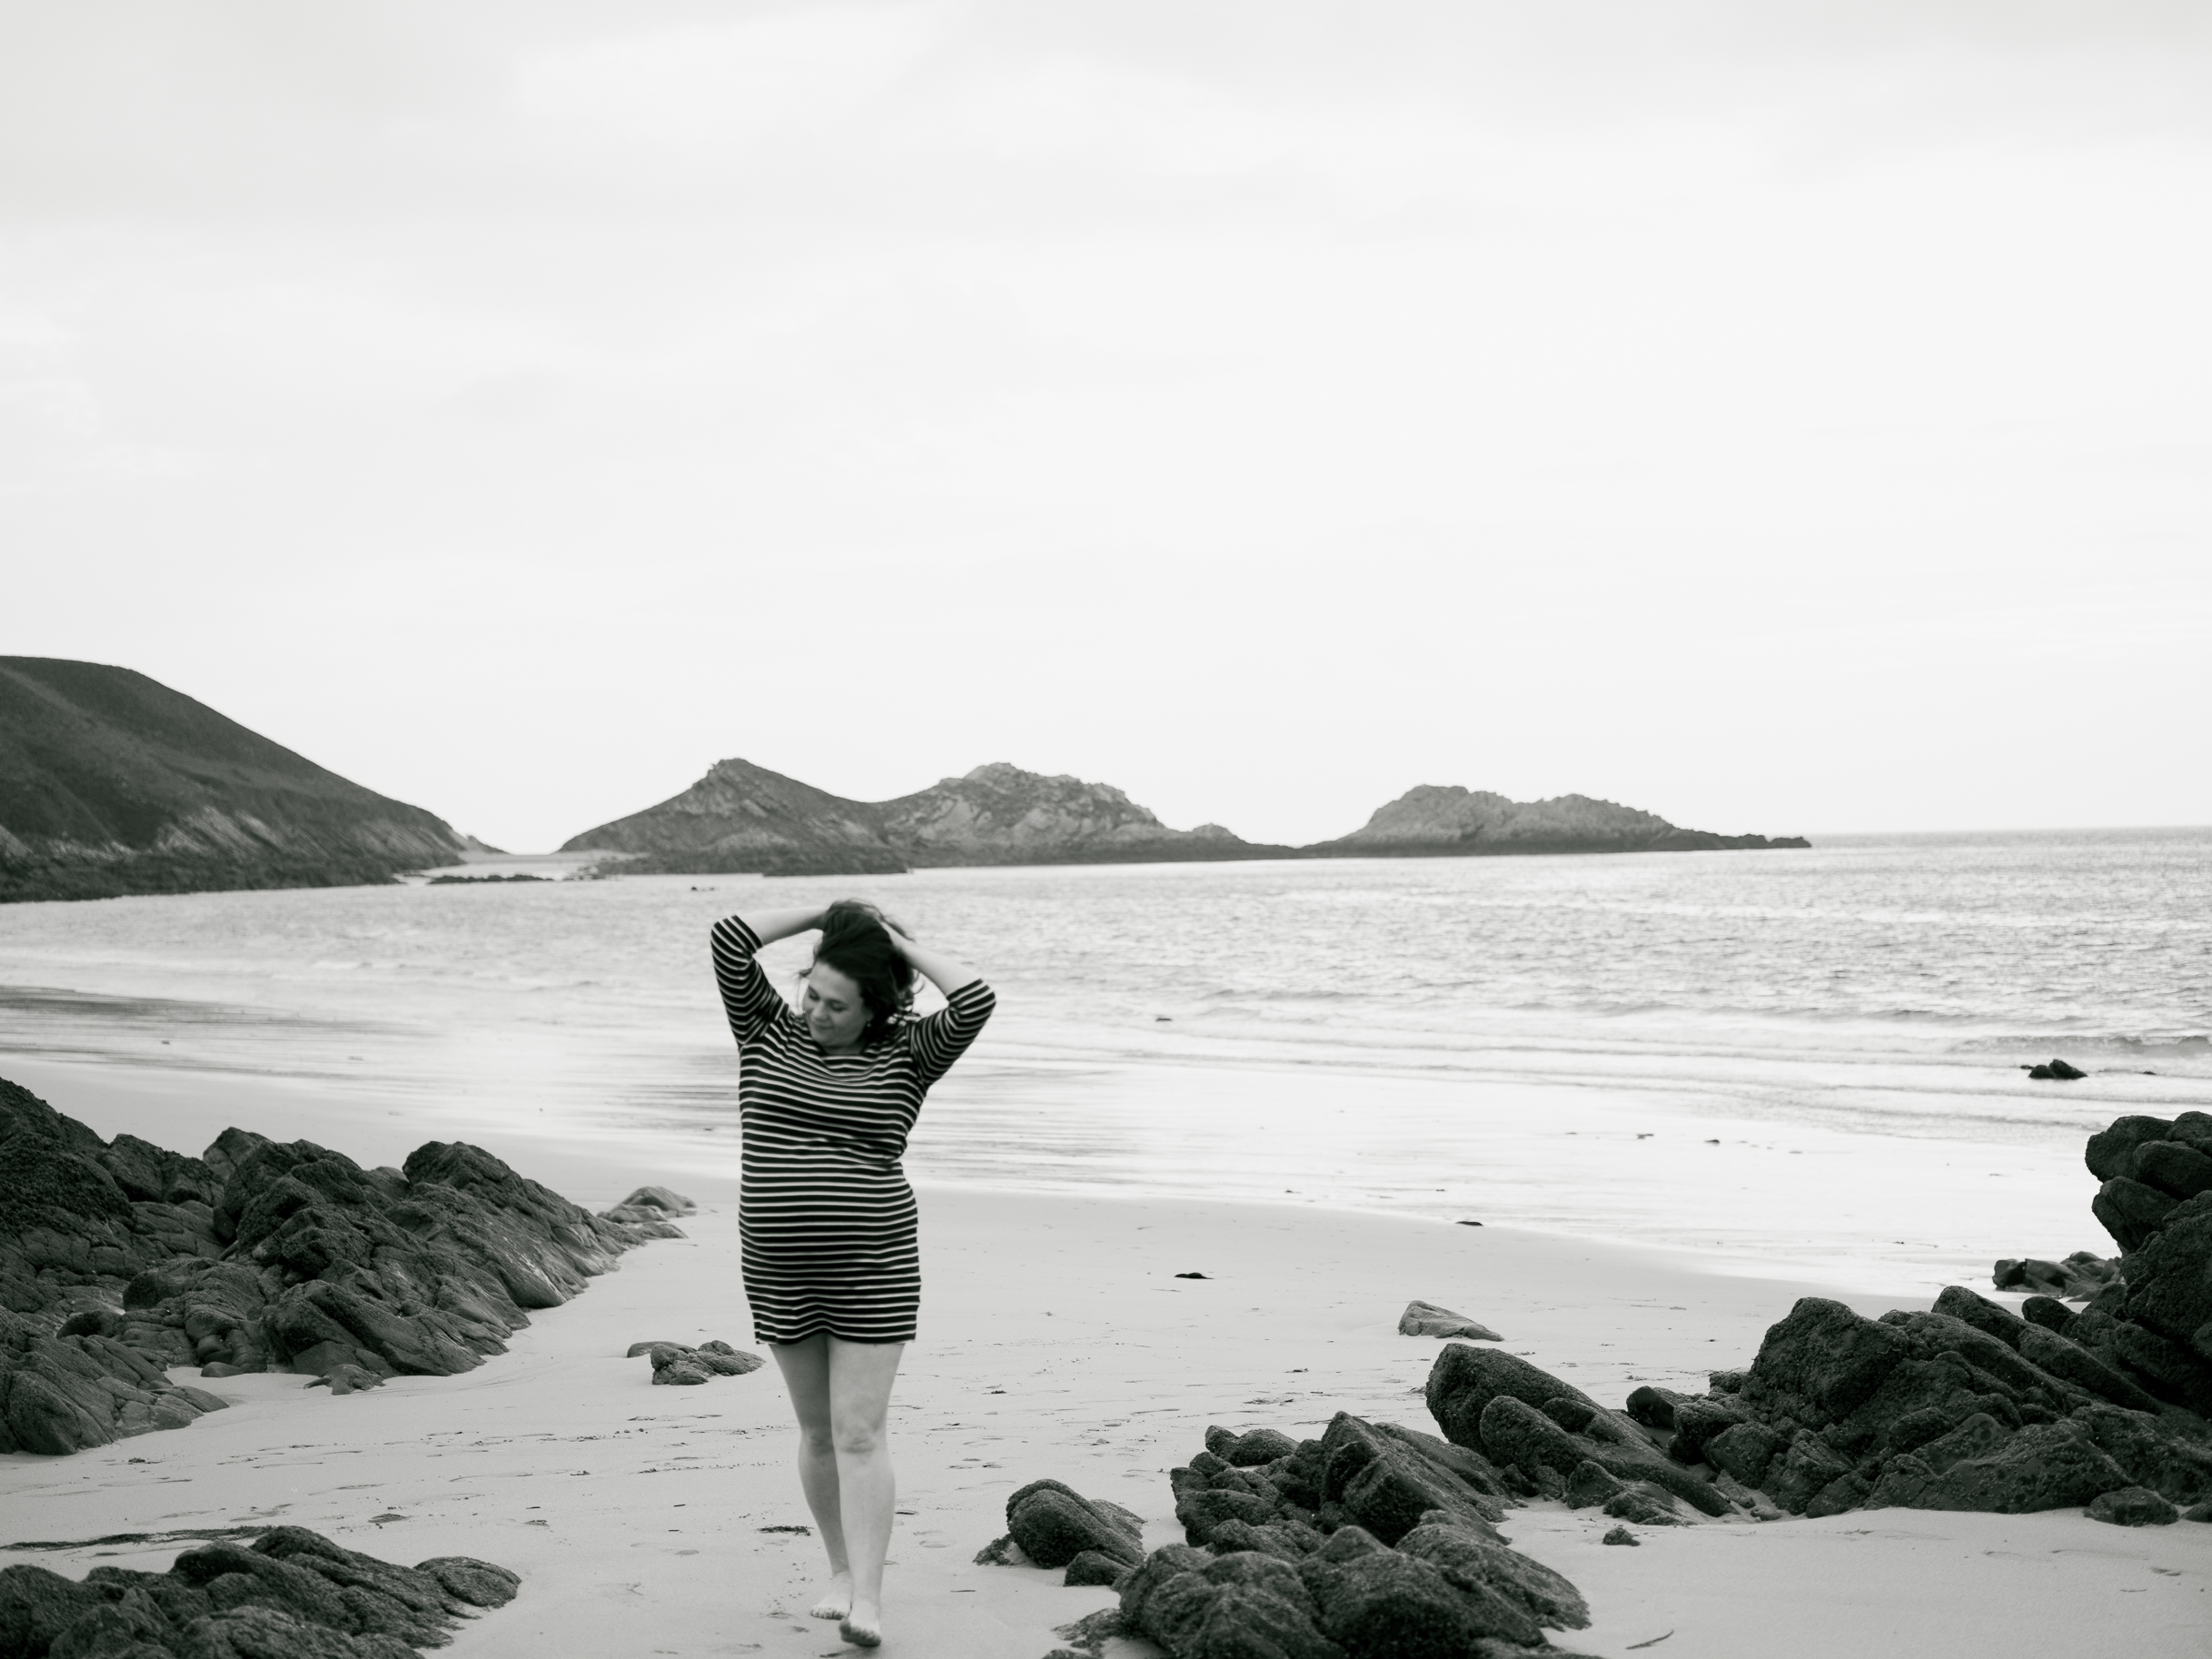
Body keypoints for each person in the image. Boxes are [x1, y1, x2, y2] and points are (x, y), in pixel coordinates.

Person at [709, 899, 994, 1649]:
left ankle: (868, 1597)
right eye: (812, 994)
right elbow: (729, 938)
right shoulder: (766, 1027)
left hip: (874, 1265)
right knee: (816, 1431)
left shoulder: (909, 1053)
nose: (815, 1013)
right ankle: (837, 1569)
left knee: (859, 1433)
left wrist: (895, 943)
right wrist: (829, 919)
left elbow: (976, 997)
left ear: (876, 1007)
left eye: (837, 1005)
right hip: (775, 1267)